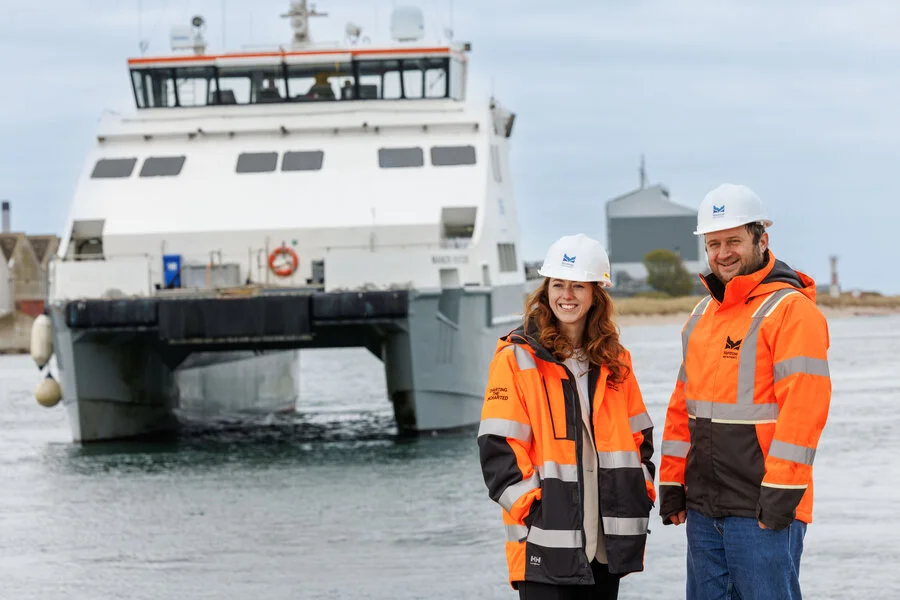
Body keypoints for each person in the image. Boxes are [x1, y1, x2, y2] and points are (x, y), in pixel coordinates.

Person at [659, 184, 832, 599]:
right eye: (714, 243)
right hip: (703, 509)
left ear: (761, 240)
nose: (723, 253)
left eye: (733, 241)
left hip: (762, 507)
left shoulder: (790, 310)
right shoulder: (702, 314)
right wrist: (672, 480)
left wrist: (783, 492)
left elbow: (804, 410)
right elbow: (683, 406)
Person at [478, 233, 656, 600]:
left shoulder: (617, 361)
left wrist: (641, 492)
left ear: (596, 294)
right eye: (558, 284)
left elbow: (639, 439)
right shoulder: (516, 359)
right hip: (544, 541)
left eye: (578, 285)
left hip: (607, 542)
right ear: (546, 291)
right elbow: (498, 448)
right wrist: (536, 511)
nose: (567, 295)